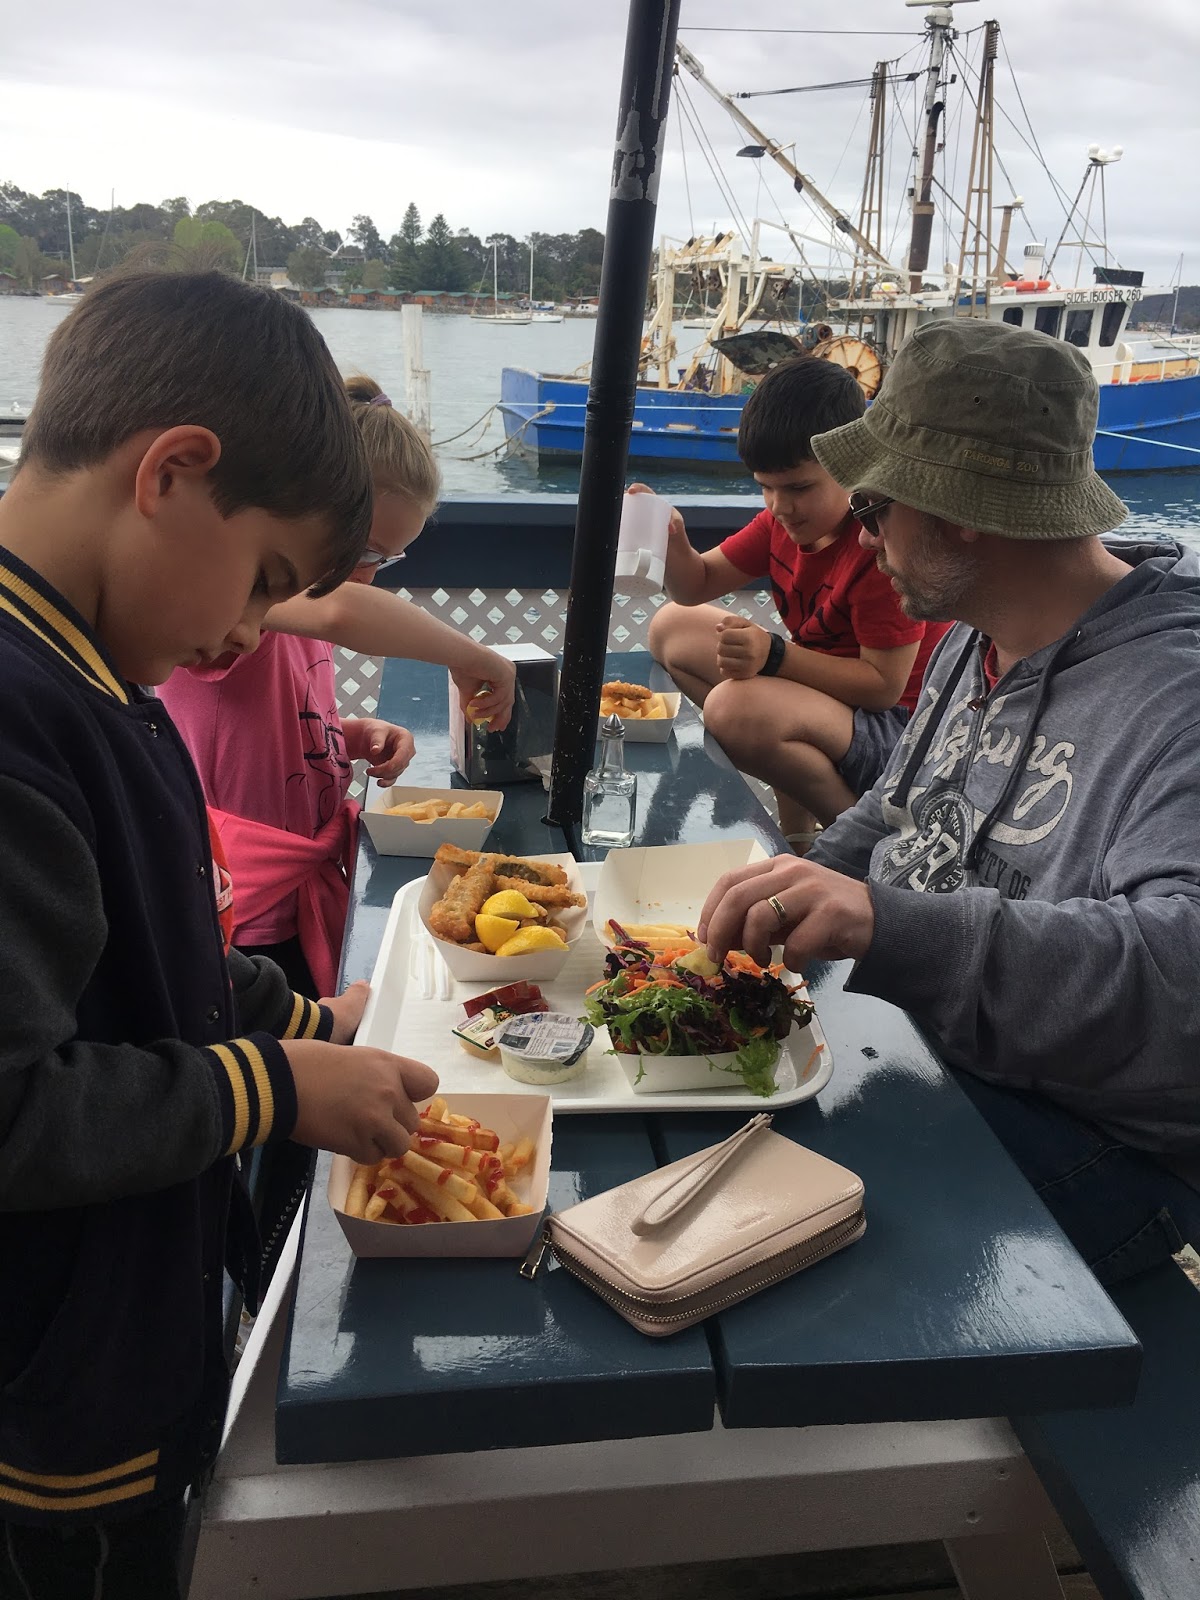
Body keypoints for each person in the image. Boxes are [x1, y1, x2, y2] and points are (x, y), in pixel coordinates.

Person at [0, 271, 438, 1598]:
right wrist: (277, 1087)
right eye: (263, 581)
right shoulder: (22, 724)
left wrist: (310, 1021)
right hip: (56, 1419)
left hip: (129, 1335)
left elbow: (142, 966)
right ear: (174, 470)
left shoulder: (88, 679)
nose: (252, 629)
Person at [698, 317, 1200, 1287]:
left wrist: (892, 926)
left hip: (1090, 1141)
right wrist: (795, 883)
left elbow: (1181, 986)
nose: (865, 530)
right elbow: (896, 807)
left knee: (734, 1239)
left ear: (959, 511)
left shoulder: (1172, 696)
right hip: (918, 1047)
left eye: (877, 505)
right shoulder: (976, 632)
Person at [161, 375, 516, 1000]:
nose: (370, 574)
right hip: (241, 898)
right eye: (369, 550)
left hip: (305, 883)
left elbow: (269, 718)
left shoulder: (292, 610)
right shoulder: (242, 598)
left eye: (389, 560)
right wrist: (473, 658)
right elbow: (343, 613)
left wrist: (346, 735)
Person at [646, 357, 950, 848]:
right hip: (824, 700)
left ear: (856, 465)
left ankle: (865, 839)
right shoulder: (780, 524)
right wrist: (672, 542)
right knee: (671, 627)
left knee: (736, 709)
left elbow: (883, 688)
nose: (778, 507)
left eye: (798, 488)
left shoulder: (877, 543)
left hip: (901, 732)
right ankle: (798, 829)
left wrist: (774, 656)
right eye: (764, 487)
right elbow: (693, 586)